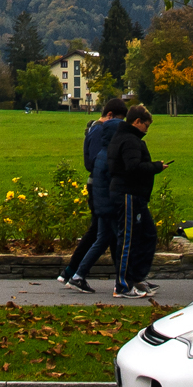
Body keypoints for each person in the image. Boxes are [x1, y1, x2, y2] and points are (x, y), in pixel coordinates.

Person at [59, 95, 131, 293]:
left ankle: (73, 272)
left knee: (100, 234)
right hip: (102, 187)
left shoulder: (95, 128)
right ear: (109, 115)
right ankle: (122, 279)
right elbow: (98, 161)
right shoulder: (101, 131)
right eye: (118, 120)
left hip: (99, 185)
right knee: (104, 234)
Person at [104, 103, 168, 299]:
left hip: (132, 194)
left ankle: (137, 276)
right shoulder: (130, 140)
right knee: (128, 239)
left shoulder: (124, 137)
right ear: (137, 121)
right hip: (128, 193)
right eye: (146, 126)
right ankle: (123, 285)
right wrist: (155, 166)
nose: (146, 131)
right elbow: (133, 167)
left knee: (148, 234)